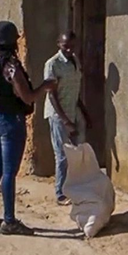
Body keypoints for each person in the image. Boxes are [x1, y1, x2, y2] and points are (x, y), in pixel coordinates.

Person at [0, 21, 55, 236]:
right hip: (9, 121)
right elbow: (27, 96)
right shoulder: (10, 65)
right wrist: (45, 87)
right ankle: (9, 221)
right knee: (9, 172)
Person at [43, 31, 92, 205]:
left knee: (78, 151)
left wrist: (84, 112)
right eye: (65, 46)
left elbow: (74, 90)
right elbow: (52, 95)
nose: (69, 49)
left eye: (72, 46)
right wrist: (65, 121)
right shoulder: (53, 64)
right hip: (58, 114)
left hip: (73, 110)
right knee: (62, 154)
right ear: (58, 44)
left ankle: (75, 186)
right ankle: (60, 193)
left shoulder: (75, 62)